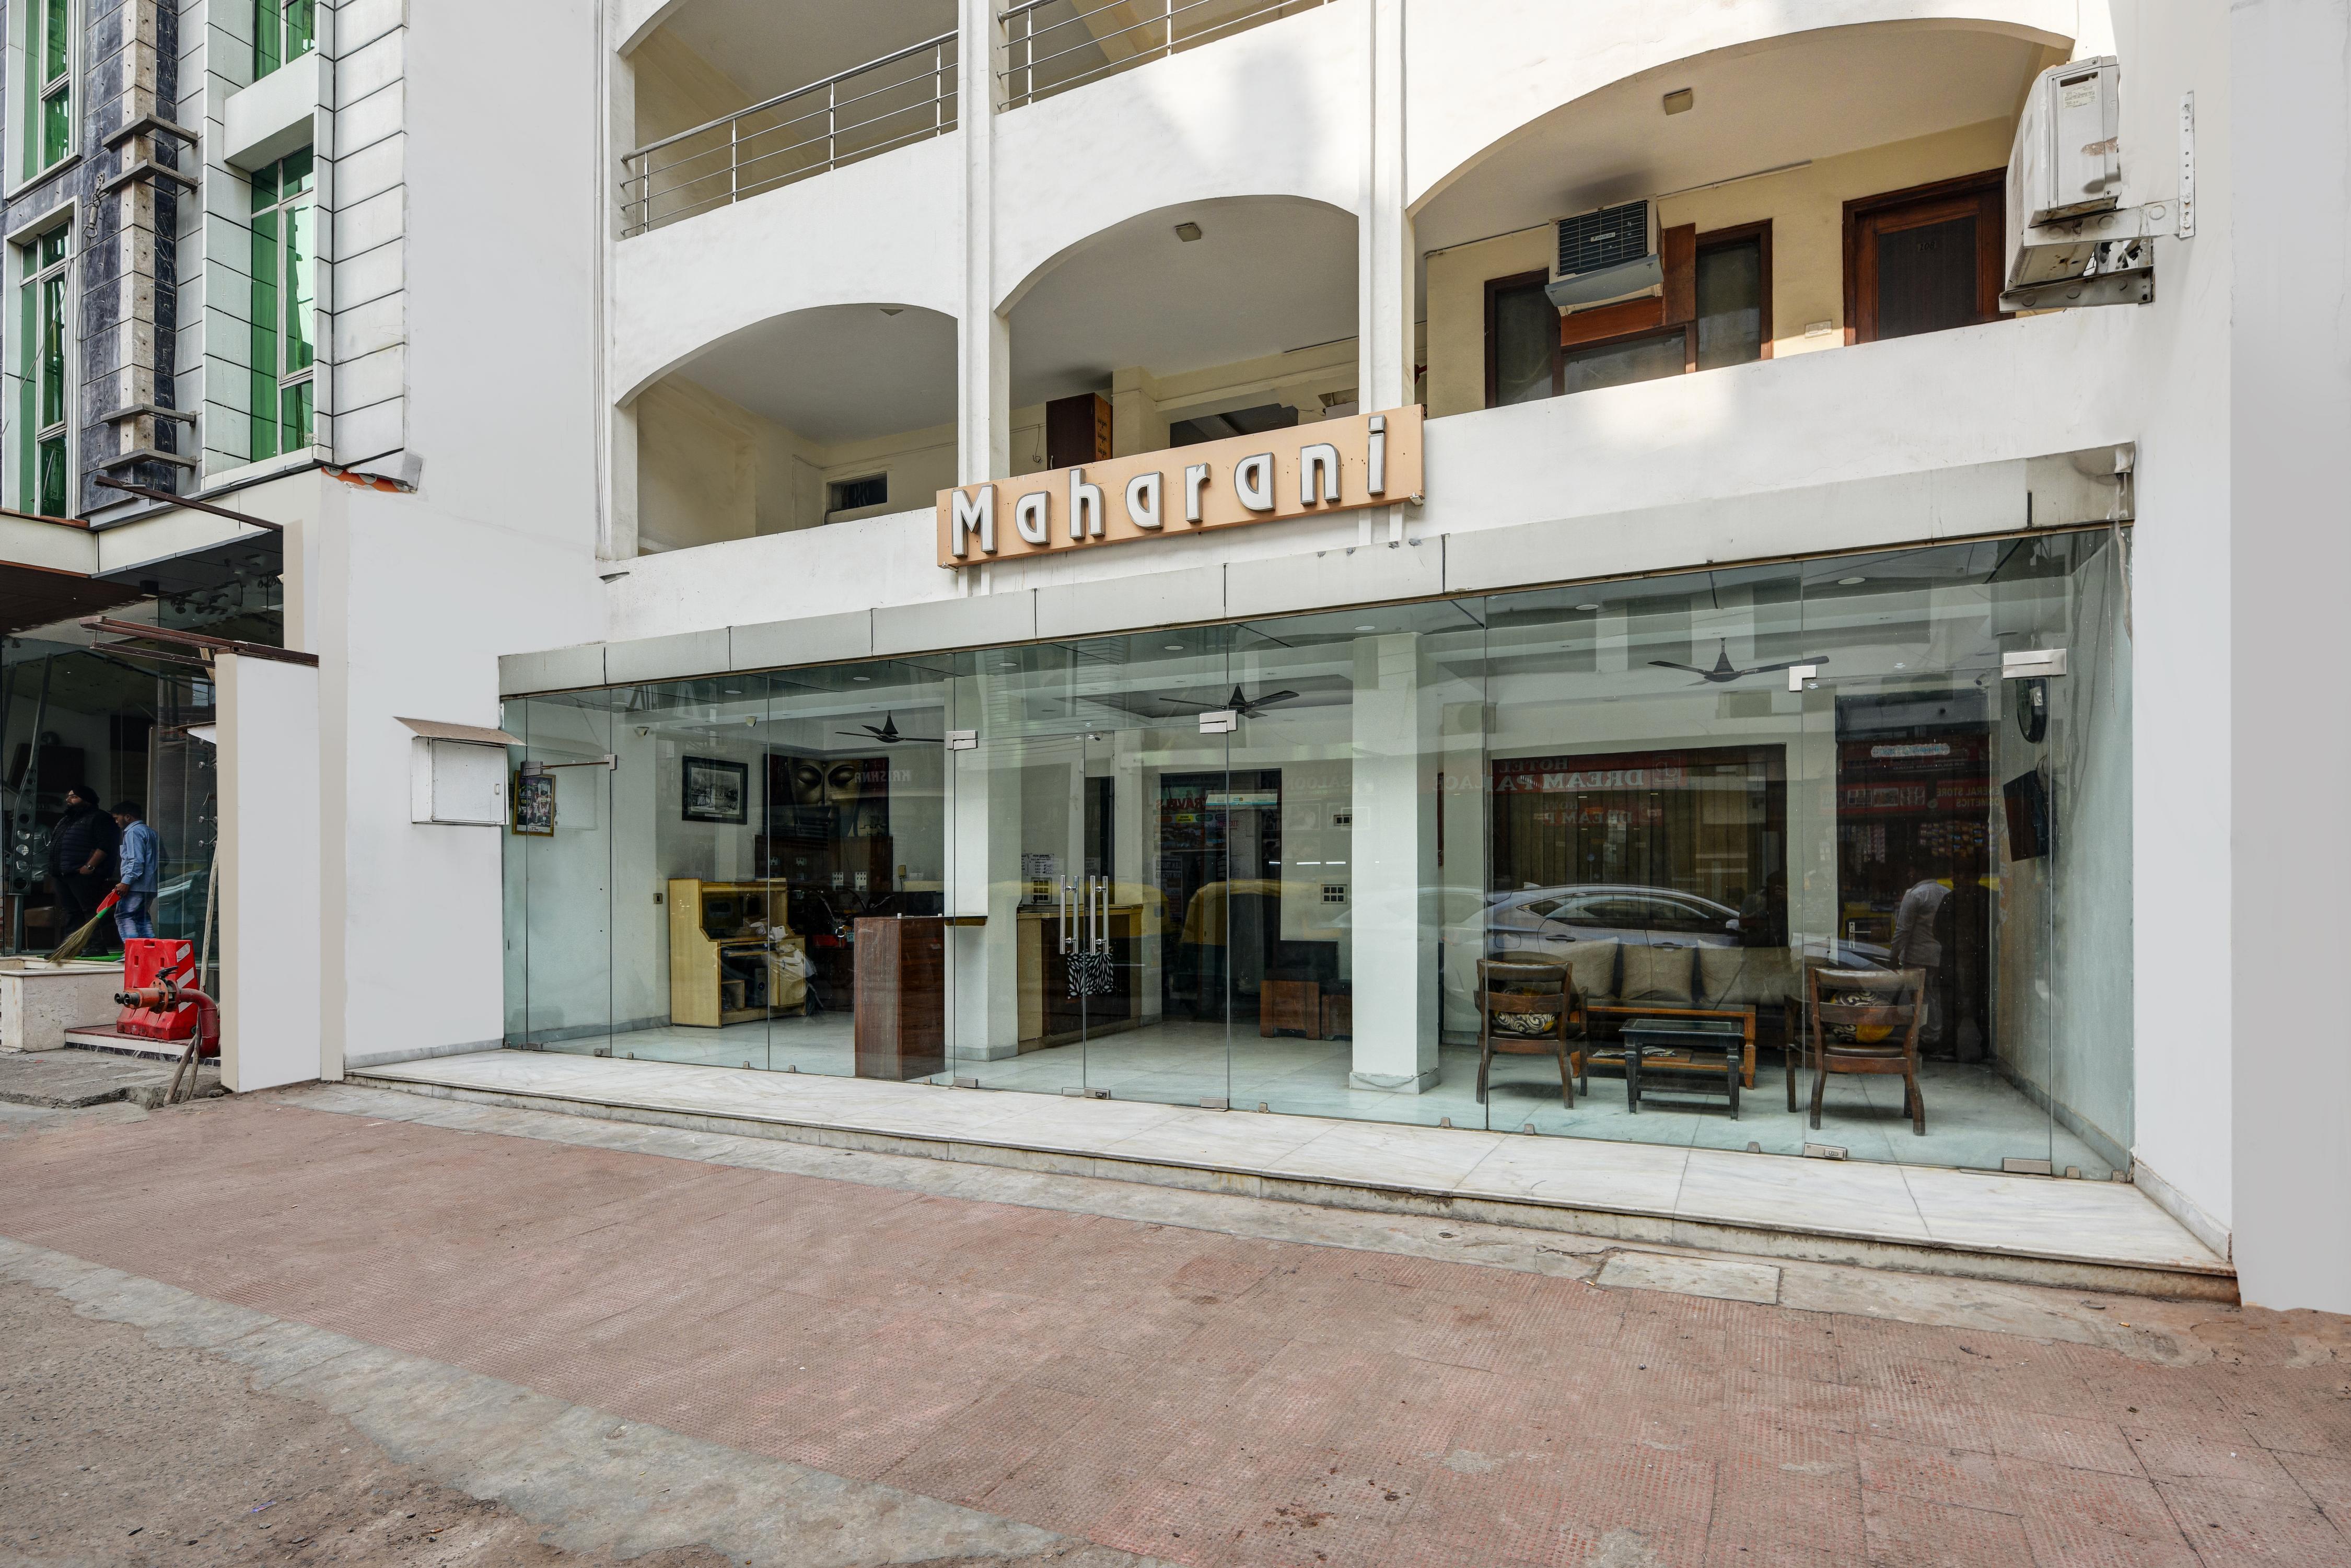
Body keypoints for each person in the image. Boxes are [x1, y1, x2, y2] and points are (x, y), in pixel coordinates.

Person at [46, 784, 118, 954]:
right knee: (71, 912)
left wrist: (89, 866)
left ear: (87, 800)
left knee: (90, 910)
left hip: (82, 874)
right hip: (62, 873)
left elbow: (105, 846)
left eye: (74, 797)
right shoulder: (67, 820)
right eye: (69, 796)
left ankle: (96, 946)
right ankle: (71, 948)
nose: (69, 800)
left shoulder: (99, 818)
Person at [109, 801, 162, 942]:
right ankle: (150, 949)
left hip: (135, 886)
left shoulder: (133, 832)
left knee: (124, 916)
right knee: (142, 918)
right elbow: (165, 860)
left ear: (128, 817)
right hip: (150, 886)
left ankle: (133, 950)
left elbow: (136, 861)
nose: (116, 822)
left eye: (117, 818)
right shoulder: (153, 833)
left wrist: (126, 882)